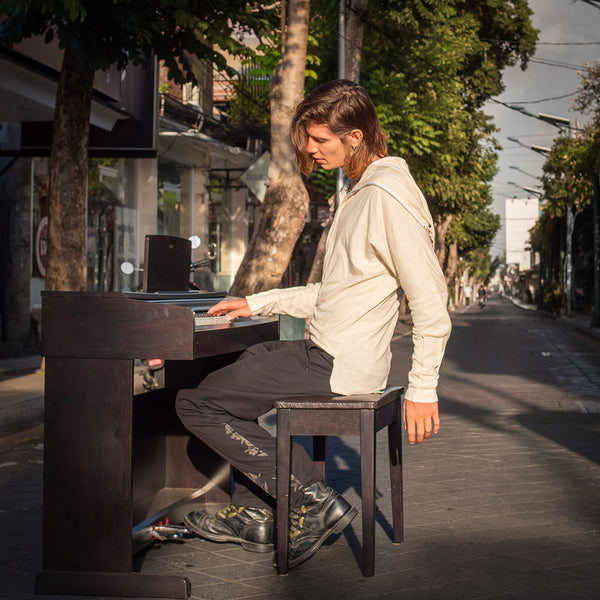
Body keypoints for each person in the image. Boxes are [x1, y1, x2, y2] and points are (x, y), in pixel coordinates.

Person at [176, 79, 452, 569]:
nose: (309, 148)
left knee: (197, 403)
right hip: (327, 350)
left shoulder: (385, 197)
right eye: (307, 137)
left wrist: (423, 387)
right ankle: (258, 516)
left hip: (337, 363)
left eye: (320, 139)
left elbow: (431, 297)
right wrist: (255, 303)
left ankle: (312, 496)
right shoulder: (361, 190)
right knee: (252, 359)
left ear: (355, 137)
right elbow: (334, 293)